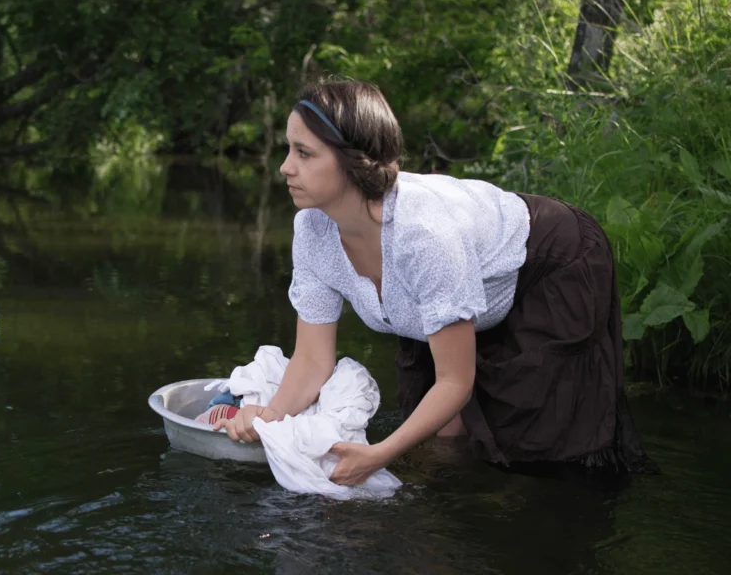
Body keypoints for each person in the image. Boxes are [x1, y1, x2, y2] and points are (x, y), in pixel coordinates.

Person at [213, 79, 656, 484]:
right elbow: (311, 361)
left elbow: (454, 382)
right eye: (288, 150)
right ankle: (446, 521)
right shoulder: (312, 230)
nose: (284, 168)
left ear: (353, 161)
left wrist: (379, 455)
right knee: (441, 437)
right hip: (457, 282)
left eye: (303, 153)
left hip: (547, 266)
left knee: (535, 446)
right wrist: (266, 419)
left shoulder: (422, 234)